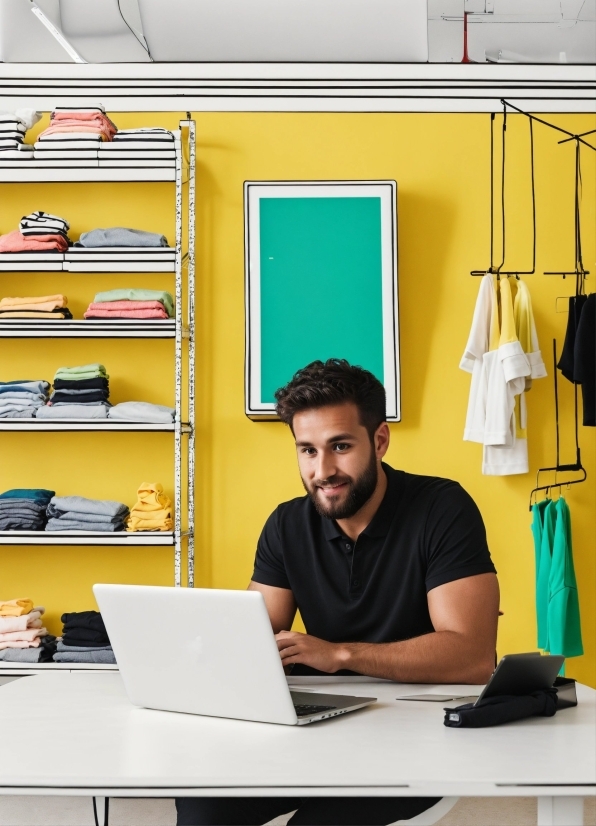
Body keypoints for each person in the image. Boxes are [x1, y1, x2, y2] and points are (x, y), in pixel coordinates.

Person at [176, 359, 499, 826]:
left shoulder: (442, 509)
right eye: (307, 450)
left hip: (422, 736)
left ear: (380, 441)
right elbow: (254, 637)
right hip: (322, 725)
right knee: (205, 809)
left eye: (340, 446)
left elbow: (472, 658)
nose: (323, 470)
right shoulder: (287, 523)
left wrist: (342, 655)